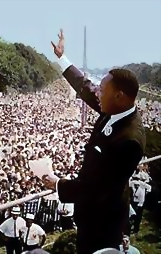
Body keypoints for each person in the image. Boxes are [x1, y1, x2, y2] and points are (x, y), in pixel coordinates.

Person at [43, 29, 146, 254]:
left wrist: (58, 184)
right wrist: (62, 58)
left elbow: (98, 189)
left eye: (102, 90)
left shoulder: (130, 141)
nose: (97, 94)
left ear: (119, 96)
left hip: (104, 221)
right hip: (92, 214)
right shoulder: (116, 108)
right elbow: (84, 86)